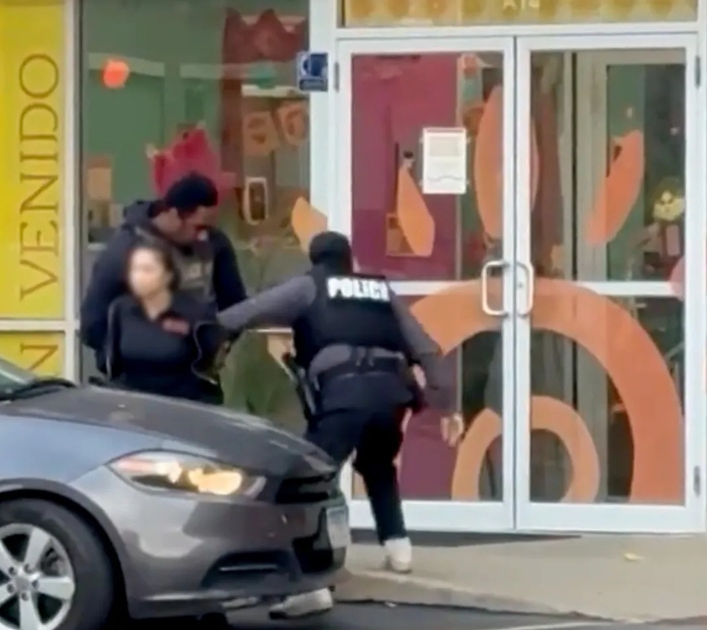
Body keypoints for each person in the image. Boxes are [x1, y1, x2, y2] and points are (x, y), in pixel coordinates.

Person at [215, 231, 464, 618]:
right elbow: (424, 346)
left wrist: (207, 330)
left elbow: (247, 312)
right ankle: (398, 548)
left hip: (345, 392)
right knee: (378, 465)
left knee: (310, 480)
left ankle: (313, 586)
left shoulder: (309, 285)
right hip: (392, 395)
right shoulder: (379, 291)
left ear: (315, 259)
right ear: (349, 258)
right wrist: (447, 405)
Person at [81, 172, 247, 396]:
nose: (203, 236)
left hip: (196, 382)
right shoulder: (126, 249)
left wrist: (214, 345)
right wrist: (120, 356)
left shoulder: (215, 245)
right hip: (135, 383)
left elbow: (235, 305)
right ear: (173, 214)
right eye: (198, 227)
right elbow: (93, 320)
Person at [102, 241, 226, 404]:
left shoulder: (195, 312)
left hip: (183, 403)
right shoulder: (120, 309)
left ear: (168, 275)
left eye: (147, 270)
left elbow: (208, 365)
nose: (139, 277)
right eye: (134, 270)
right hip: (133, 403)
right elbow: (113, 364)